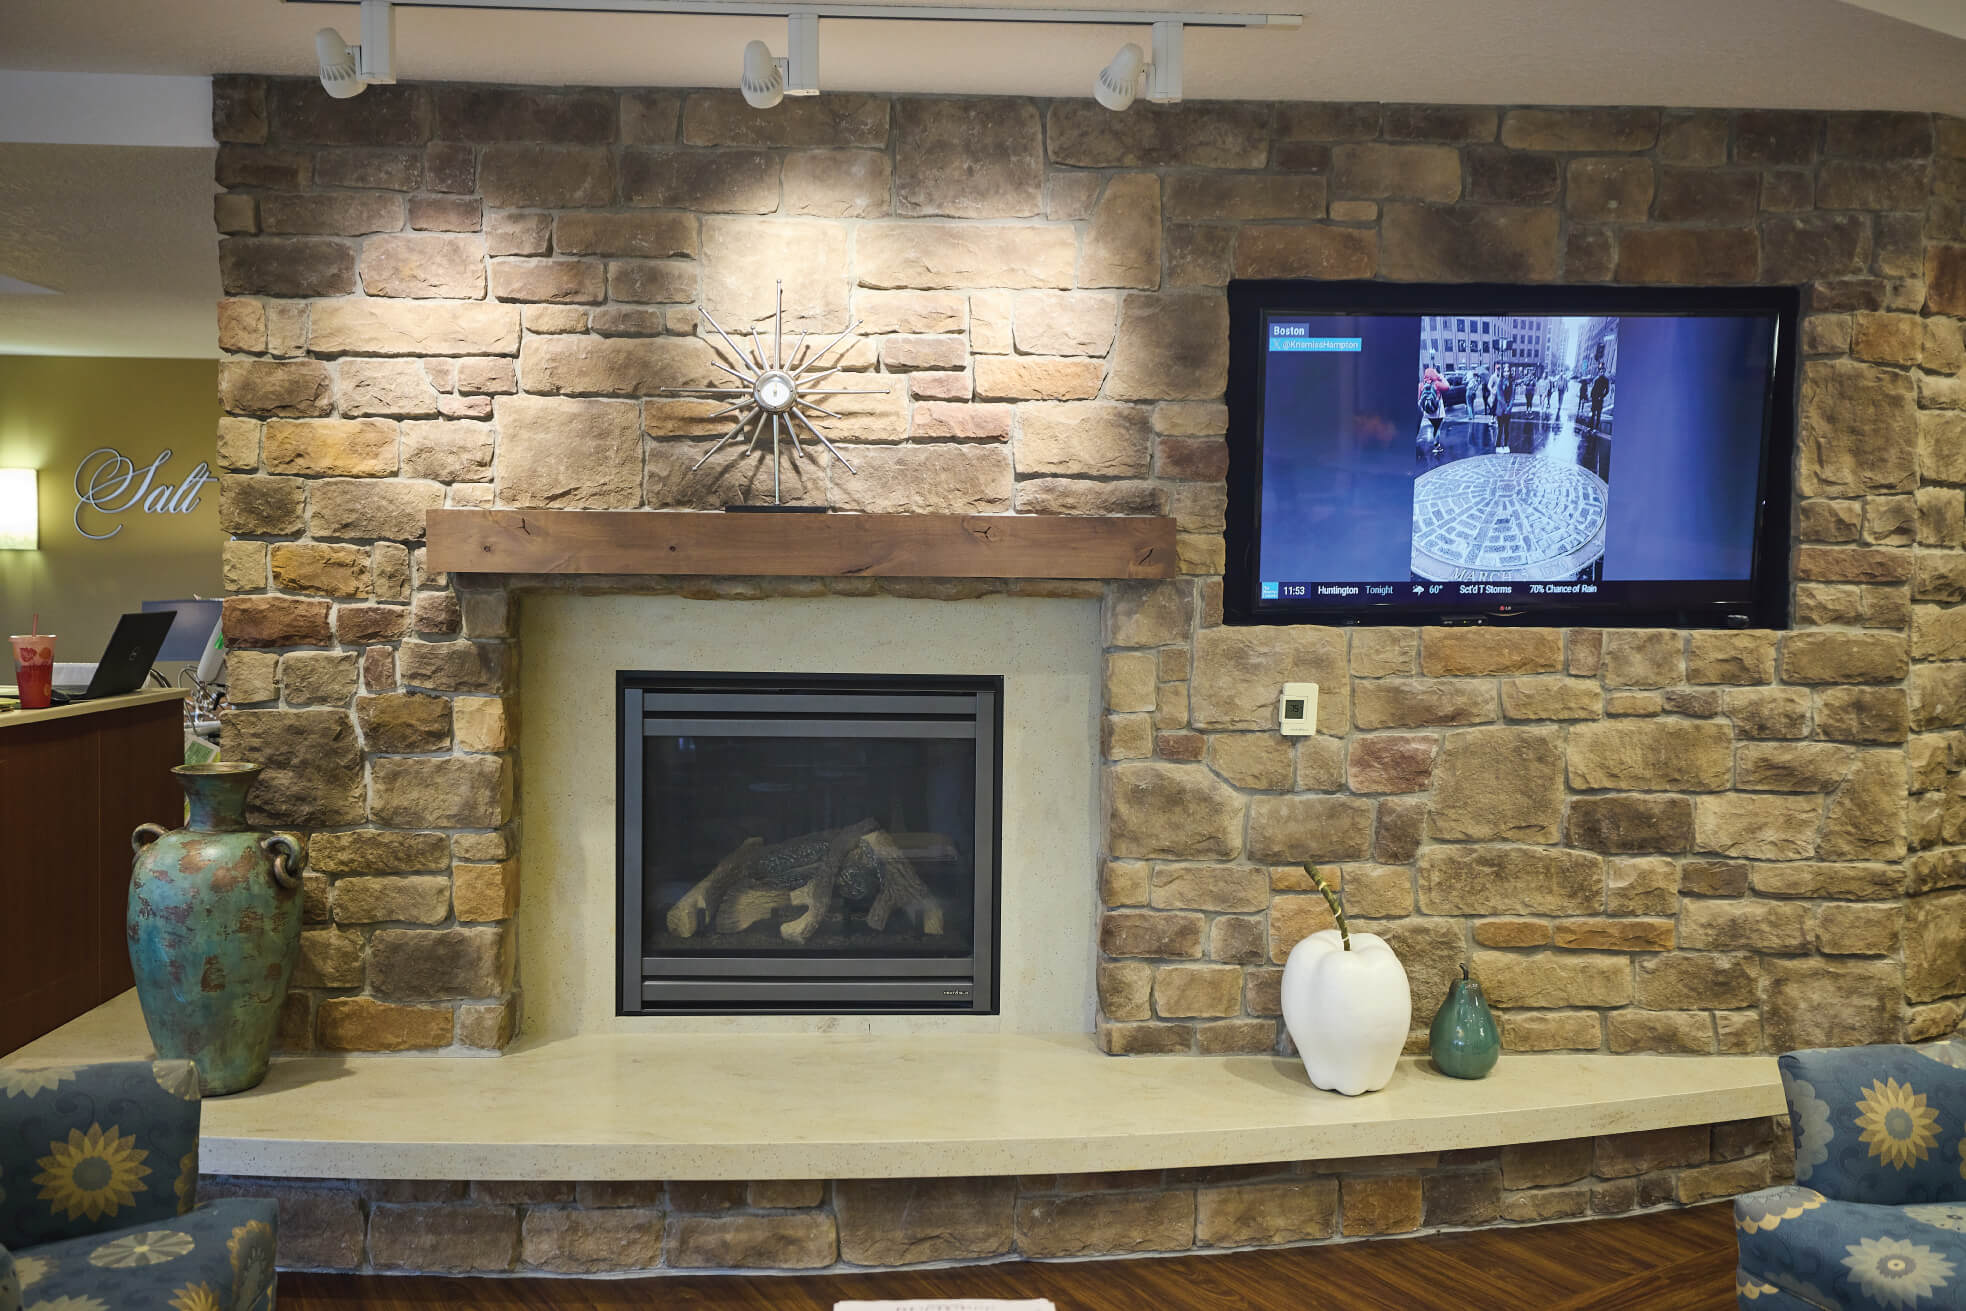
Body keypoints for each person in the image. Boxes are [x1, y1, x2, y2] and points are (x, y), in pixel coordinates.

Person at [1418, 367, 1446, 454]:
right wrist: (1441, 376)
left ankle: (1436, 444)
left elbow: (1419, 399)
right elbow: (1447, 387)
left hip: (1428, 412)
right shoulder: (1437, 384)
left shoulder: (1421, 385)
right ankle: (1437, 446)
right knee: (1438, 428)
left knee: (1435, 427)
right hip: (1438, 412)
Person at [1588, 367, 1611, 436]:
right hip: (1594, 398)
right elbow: (1593, 388)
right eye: (1601, 371)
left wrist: (1602, 396)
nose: (1601, 372)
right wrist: (1591, 396)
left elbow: (1607, 390)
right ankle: (1591, 427)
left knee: (1598, 414)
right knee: (1593, 414)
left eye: (1603, 371)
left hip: (1600, 399)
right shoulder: (1596, 379)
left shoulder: (1606, 380)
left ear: (1604, 372)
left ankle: (1596, 428)